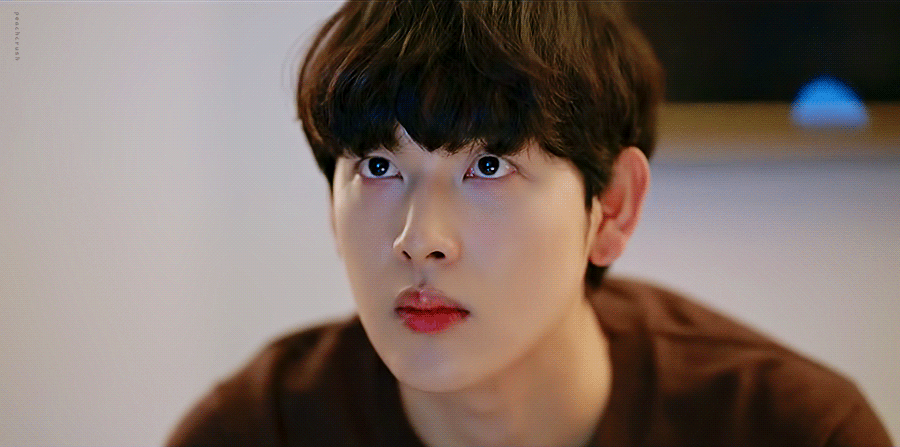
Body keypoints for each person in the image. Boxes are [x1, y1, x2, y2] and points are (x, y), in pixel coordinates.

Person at [166, 1, 892, 446]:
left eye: (489, 167)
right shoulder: (252, 431)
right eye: (379, 167)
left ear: (612, 207)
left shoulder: (789, 429)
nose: (420, 240)